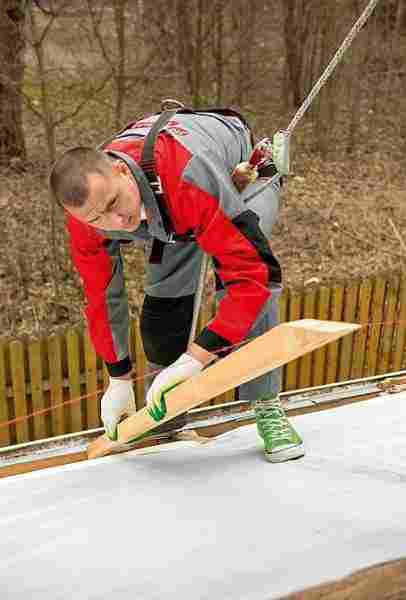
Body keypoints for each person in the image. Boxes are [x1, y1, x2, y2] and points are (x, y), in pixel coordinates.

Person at [49, 102, 304, 463]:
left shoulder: (188, 177)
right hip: (166, 203)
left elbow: (253, 276)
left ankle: (266, 405)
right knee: (165, 299)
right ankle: (166, 412)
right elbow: (102, 297)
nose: (117, 220)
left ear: (121, 171)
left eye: (113, 202)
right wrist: (118, 376)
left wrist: (197, 358)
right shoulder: (87, 220)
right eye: (97, 217)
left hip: (227, 168)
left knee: (248, 294)